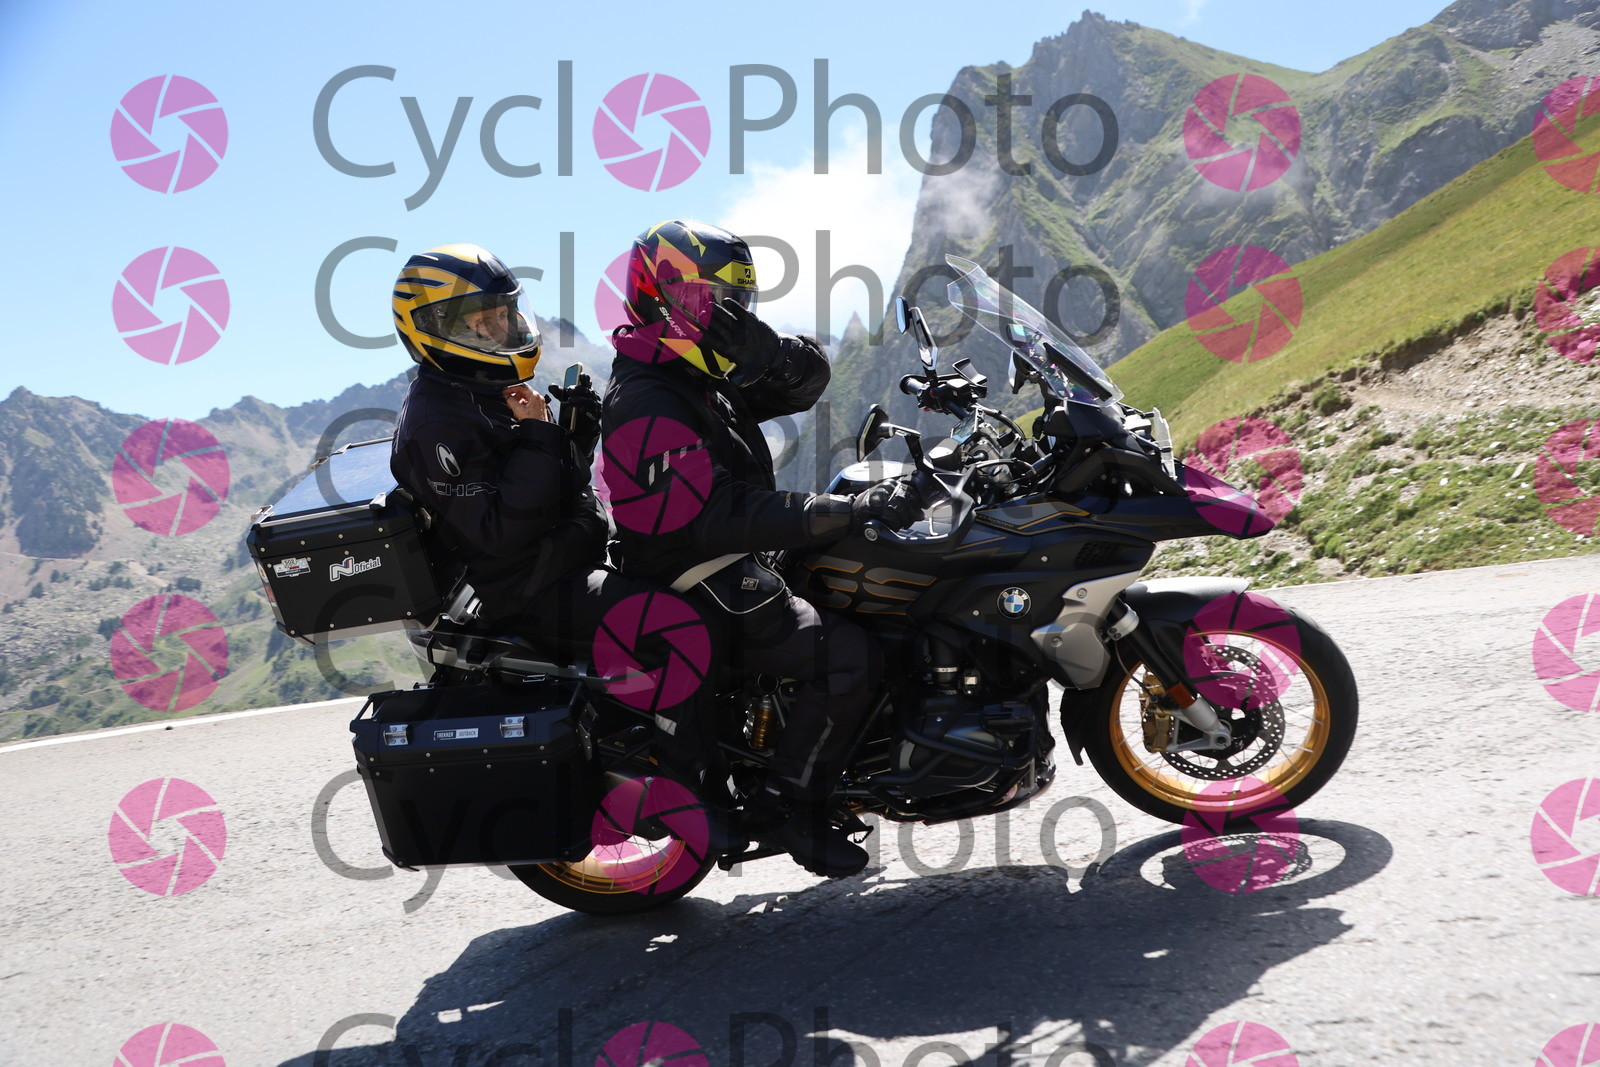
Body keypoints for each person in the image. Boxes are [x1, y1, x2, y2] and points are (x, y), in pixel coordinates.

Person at [601, 219, 918, 878]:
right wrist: (844, 510)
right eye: (714, 298)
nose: (729, 312)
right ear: (663, 296)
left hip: (726, 556)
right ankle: (792, 805)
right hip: (695, 571)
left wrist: (765, 349)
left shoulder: (693, 369)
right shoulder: (647, 398)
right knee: (849, 656)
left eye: (738, 299)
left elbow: (804, 384)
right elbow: (715, 514)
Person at [388, 243, 731, 820]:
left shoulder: (479, 392)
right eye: (480, 322)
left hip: (565, 557)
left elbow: (545, 492)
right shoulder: (435, 421)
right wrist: (541, 439)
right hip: (528, 589)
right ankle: (690, 797)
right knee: (682, 631)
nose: (500, 331)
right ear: (432, 328)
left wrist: (573, 437)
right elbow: (499, 529)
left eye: (503, 315)